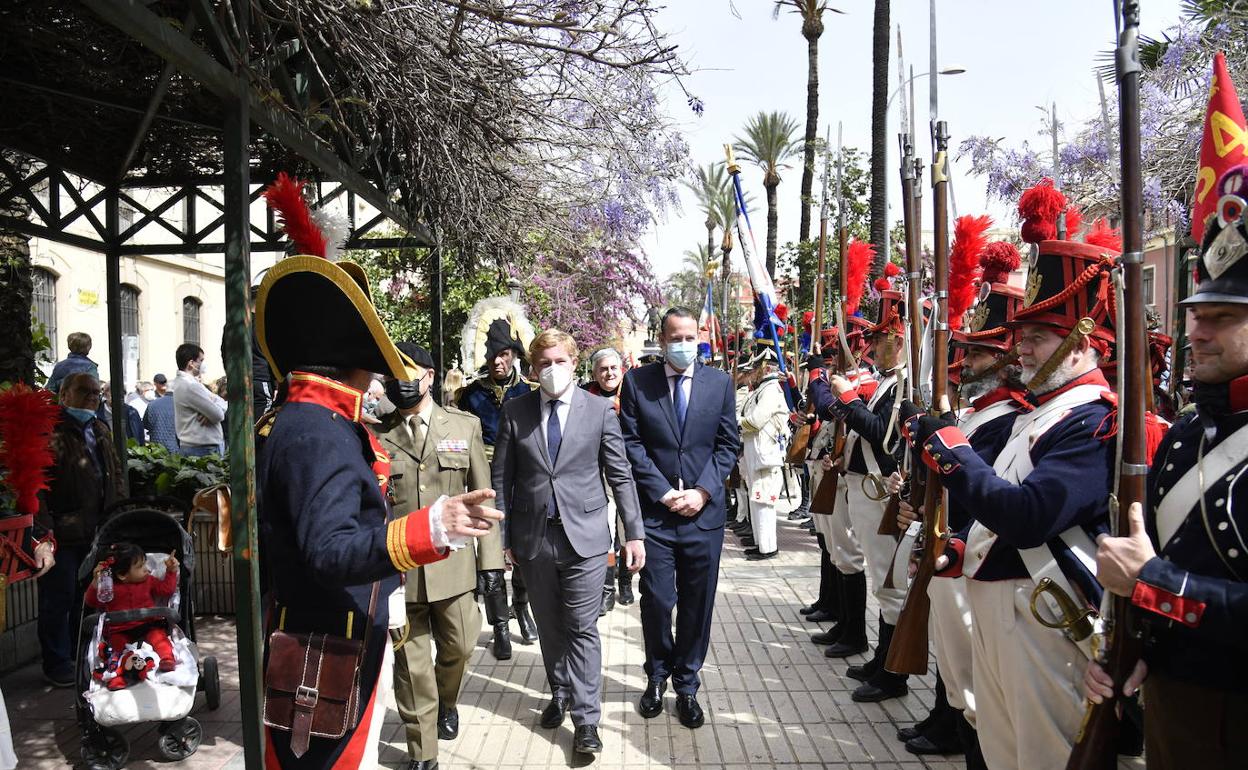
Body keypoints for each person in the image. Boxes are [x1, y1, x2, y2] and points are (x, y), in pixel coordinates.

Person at [254, 254, 502, 770]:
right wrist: (428, 528)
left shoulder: (309, 420)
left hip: (330, 633)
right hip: (325, 643)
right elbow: (328, 549)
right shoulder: (317, 431)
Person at [902, 232, 1119, 770]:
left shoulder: (1093, 420)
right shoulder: (1041, 413)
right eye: (1023, 334)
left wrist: (953, 453)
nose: (1021, 346)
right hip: (1005, 613)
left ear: (1084, 343)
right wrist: (959, 543)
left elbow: (1028, 516)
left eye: (1041, 336)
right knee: (1001, 754)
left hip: (1045, 619)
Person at [1086, 165, 1248, 769]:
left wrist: (1157, 586)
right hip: (1175, 705)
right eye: (1196, 314)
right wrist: (1132, 653)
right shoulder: (1186, 432)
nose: (1196, 332)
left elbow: (1160, 575)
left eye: (1222, 318)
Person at [895, 242, 1027, 765]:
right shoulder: (976, 413)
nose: (964, 361)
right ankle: (951, 727)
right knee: (958, 672)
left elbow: (982, 488)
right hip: (952, 548)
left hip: (976, 554)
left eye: (975, 353)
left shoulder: (1009, 418)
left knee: (978, 687)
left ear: (1003, 360)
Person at [492, 328, 645, 755]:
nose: (553, 370)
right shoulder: (516, 410)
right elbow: (501, 480)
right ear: (533, 369)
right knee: (550, 625)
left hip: (587, 540)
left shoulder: (599, 411)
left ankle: (586, 720)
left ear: (574, 364)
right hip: (533, 539)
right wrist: (501, 539)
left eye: (560, 362)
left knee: (581, 627)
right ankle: (559, 690)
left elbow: (620, 475)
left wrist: (634, 533)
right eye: (544, 364)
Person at [376, 342, 504, 770]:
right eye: (393, 373)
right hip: (402, 570)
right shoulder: (377, 435)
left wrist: (491, 564)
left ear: (429, 376)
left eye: (408, 371)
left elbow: (483, 498)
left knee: (462, 646)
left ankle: (448, 701)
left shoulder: (464, 426)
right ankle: (423, 752)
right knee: (412, 668)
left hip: (454, 567)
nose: (400, 381)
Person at [619, 307, 740, 729]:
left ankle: (686, 684)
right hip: (656, 515)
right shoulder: (638, 383)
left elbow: (729, 444)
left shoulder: (720, 384)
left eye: (690, 337)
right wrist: (665, 491)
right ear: (662, 338)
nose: (683, 344)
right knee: (656, 601)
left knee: (696, 604)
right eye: (675, 337)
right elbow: (631, 444)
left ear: (699, 338)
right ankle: (656, 676)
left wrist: (703, 491)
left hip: (703, 518)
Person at [808, 284, 908, 702]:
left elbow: (883, 438)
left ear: (899, 339)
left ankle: (893, 671)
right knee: (880, 579)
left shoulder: (902, 384)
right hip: (860, 483)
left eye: (880, 340)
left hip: (878, 489)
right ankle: (881, 659)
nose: (872, 346)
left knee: (890, 583)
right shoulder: (887, 382)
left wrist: (847, 399)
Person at [35, 372, 124, 686]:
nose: (92, 396)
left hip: (98, 531)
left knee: (85, 599)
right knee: (59, 598)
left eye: (96, 392)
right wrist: (44, 535)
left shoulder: (99, 428)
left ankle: (79, 655)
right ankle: (58, 663)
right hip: (63, 533)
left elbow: (115, 475)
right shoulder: (49, 432)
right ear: (63, 395)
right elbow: (36, 489)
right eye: (83, 391)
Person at [457, 319, 539, 658]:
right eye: (492, 356)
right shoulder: (470, 395)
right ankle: (500, 625)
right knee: (489, 558)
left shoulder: (530, 393)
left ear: (515, 355)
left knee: (523, 554)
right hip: (485, 484)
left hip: (522, 484)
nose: (498, 362)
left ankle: (522, 607)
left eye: (504, 355)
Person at [582, 346, 634, 610]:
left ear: (621, 370)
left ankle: (625, 581)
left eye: (613, 368)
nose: (609, 373)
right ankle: (606, 589)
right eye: (603, 369)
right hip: (596, 474)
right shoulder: (584, 396)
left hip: (627, 474)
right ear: (595, 373)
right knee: (604, 532)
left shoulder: (633, 395)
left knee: (627, 531)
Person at [85, 542, 180, 671]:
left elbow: (166, 590)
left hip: (148, 624)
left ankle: (167, 658)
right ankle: (122, 665)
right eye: (141, 566)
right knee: (116, 645)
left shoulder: (148, 581)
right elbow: (91, 602)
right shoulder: (109, 587)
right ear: (122, 575)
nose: (147, 569)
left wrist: (171, 571)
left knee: (159, 638)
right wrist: (96, 582)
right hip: (120, 629)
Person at [739, 344, 790, 560]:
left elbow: (755, 421)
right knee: (756, 497)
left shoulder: (770, 390)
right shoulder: (761, 389)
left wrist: (734, 423)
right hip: (756, 452)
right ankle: (761, 543)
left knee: (764, 501)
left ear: (765, 368)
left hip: (765, 454)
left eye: (756, 367)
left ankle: (768, 547)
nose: (753, 372)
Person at [173, 343, 226, 456]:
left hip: (196, 446)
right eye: (201, 360)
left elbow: (222, 403)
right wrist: (212, 409)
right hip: (202, 448)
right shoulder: (190, 385)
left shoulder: (187, 382)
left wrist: (210, 410)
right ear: (191, 363)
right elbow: (219, 415)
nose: (203, 364)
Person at [143, 378, 179, 454]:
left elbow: (145, 424)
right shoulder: (181, 405)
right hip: (175, 451)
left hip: (156, 450)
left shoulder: (152, 404)